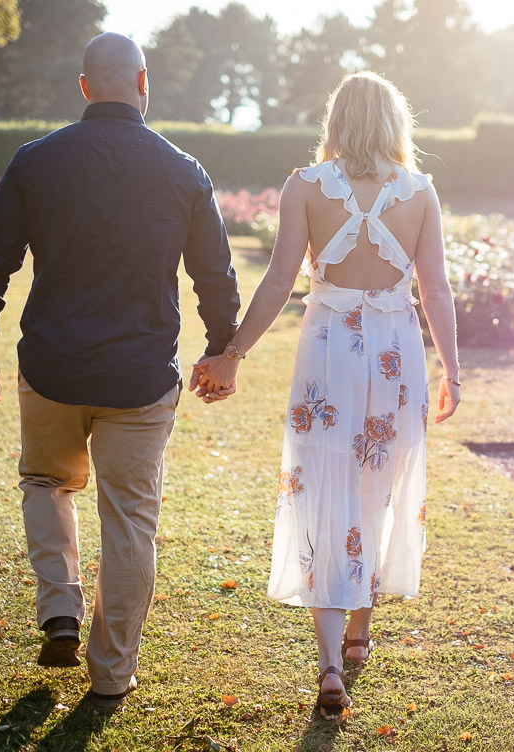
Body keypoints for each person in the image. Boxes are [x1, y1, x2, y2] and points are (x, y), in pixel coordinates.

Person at [0, 32, 241, 709]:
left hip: (52, 367)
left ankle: (58, 609)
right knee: (130, 520)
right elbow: (215, 274)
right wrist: (222, 348)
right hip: (141, 379)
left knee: (44, 479)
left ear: (85, 87)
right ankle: (111, 674)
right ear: (143, 83)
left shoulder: (35, 161)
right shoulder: (184, 170)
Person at [193, 71, 461, 720]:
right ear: (397, 122)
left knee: (322, 490)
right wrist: (453, 367)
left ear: (335, 121)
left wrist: (233, 353)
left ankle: (330, 665)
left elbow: (281, 279)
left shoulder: (305, 188)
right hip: (397, 357)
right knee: (378, 488)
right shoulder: (420, 192)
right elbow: (437, 291)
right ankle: (360, 631)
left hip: (328, 355)